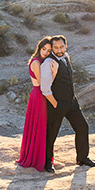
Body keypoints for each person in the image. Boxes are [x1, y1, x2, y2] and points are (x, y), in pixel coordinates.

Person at [40, 35, 95, 170]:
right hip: (56, 104)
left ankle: (82, 159)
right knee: (51, 133)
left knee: (82, 127)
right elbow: (45, 89)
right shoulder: (48, 64)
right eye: (55, 47)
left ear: (65, 45)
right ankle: (47, 162)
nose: (59, 50)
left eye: (61, 46)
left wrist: (72, 99)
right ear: (52, 48)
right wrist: (56, 105)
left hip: (71, 102)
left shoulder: (66, 56)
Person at [16, 36, 57, 172]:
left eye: (48, 50)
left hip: (40, 95)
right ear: (39, 48)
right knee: (39, 126)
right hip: (39, 95)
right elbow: (44, 83)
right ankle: (36, 158)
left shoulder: (42, 61)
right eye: (44, 49)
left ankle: (42, 156)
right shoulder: (36, 63)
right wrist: (54, 72)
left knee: (42, 126)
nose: (45, 52)